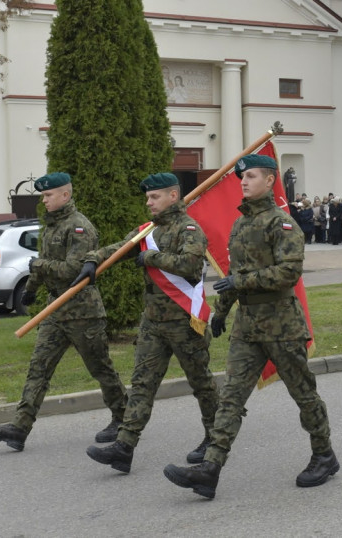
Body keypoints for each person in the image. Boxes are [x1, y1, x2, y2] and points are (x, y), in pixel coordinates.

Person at [163, 154, 337, 499]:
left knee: (303, 394)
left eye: (252, 176)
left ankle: (324, 455)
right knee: (230, 398)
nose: (243, 182)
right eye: (242, 177)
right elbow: (233, 277)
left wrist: (241, 283)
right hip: (248, 327)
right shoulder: (241, 224)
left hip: (281, 324)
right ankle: (210, 470)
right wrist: (221, 312)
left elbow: (289, 272)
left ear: (270, 180)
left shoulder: (282, 223)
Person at [0, 172, 127, 451]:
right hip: (55, 310)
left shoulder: (80, 228)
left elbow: (74, 271)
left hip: (83, 311)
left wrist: (37, 268)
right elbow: (45, 262)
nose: (44, 200)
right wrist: (33, 288)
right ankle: (19, 428)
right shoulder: (49, 226)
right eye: (43, 196)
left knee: (100, 368)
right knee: (39, 368)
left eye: (48, 196)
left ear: (65, 195)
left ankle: (123, 418)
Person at [83, 173, 218, 474]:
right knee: (143, 384)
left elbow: (190, 266)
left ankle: (214, 439)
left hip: (184, 323)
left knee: (202, 385)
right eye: (147, 198)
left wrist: (153, 259)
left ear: (172, 196)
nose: (149, 203)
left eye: (154, 197)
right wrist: (92, 259)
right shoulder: (148, 231)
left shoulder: (189, 228)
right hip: (153, 323)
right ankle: (124, 447)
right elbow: (119, 248)